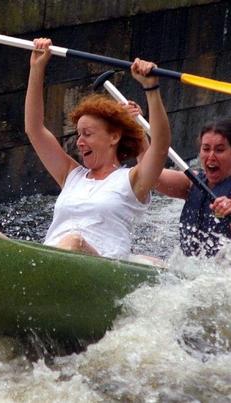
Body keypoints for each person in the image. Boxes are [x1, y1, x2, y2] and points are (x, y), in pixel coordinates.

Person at [24, 37, 171, 259]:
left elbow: (160, 145)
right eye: (78, 134)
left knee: (74, 240)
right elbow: (34, 129)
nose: (79, 142)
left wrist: (151, 88)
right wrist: (36, 69)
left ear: (114, 137)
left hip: (101, 264)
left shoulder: (134, 180)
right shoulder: (71, 175)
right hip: (52, 257)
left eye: (87, 134)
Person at [151, 119, 231, 257]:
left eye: (219, 150)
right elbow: (149, 175)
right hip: (192, 270)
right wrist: (139, 132)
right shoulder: (192, 182)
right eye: (206, 149)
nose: (211, 156)